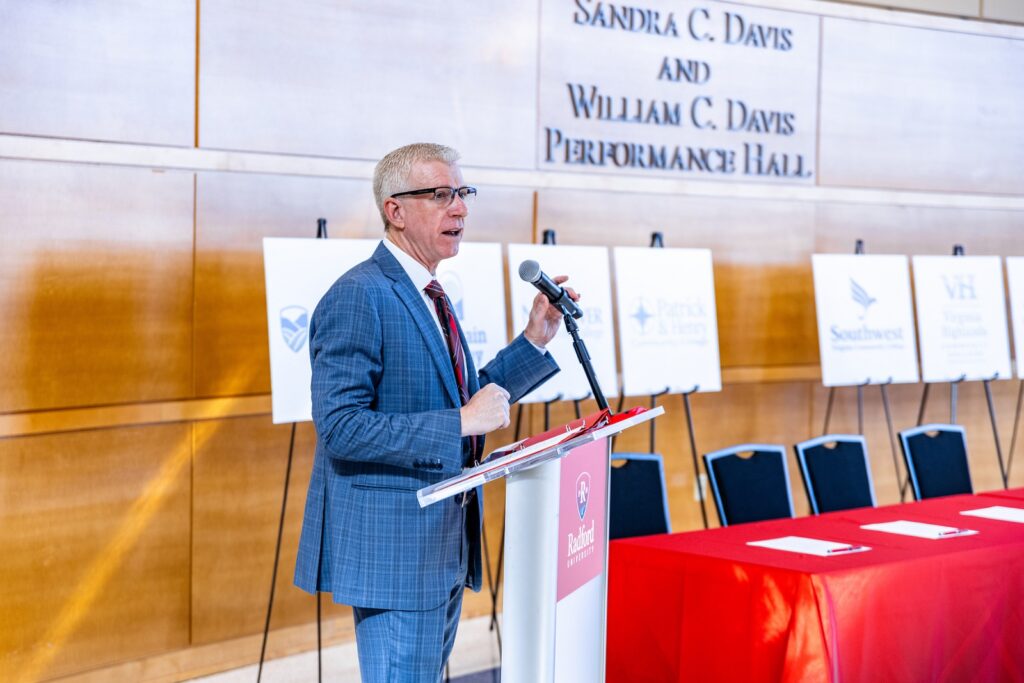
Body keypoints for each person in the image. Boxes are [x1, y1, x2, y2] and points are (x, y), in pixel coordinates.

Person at [294, 142, 577, 682]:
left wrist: (535, 342)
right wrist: (459, 422)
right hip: (396, 555)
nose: (460, 208)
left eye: (463, 193)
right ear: (394, 210)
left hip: (443, 545)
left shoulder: (427, 291)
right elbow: (340, 427)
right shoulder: (359, 295)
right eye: (441, 195)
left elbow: (470, 401)